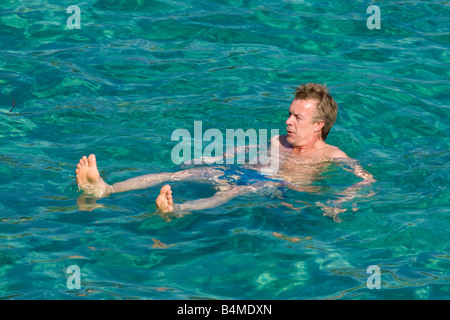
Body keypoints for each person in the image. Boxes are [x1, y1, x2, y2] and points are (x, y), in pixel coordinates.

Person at [75, 83, 375, 221]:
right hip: (245, 173)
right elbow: (246, 149)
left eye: (297, 117)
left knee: (227, 194)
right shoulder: (279, 140)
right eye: (289, 113)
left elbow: (367, 181)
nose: (288, 121)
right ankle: (107, 188)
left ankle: (176, 211)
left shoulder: (332, 154)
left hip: (276, 189)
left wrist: (340, 200)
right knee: (178, 173)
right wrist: (212, 159)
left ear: (319, 125)